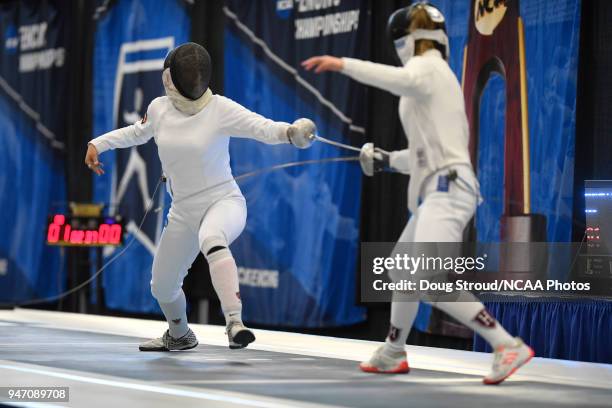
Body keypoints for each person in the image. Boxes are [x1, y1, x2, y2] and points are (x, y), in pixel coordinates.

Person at [302, 2, 533, 384]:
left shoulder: (426, 70)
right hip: (439, 188)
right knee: (401, 271)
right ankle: (393, 350)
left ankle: (506, 345)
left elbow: (400, 81)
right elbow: (426, 153)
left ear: (406, 40)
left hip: (448, 190)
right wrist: (388, 159)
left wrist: (344, 64)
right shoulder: (434, 77)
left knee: (428, 281)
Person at [86, 42, 316, 352]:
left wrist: (290, 132)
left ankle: (235, 323)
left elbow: (261, 127)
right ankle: (179, 334)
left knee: (212, 236)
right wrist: (97, 144)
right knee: (162, 285)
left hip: (224, 202)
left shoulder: (219, 109)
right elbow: (135, 133)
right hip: (183, 212)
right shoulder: (159, 108)